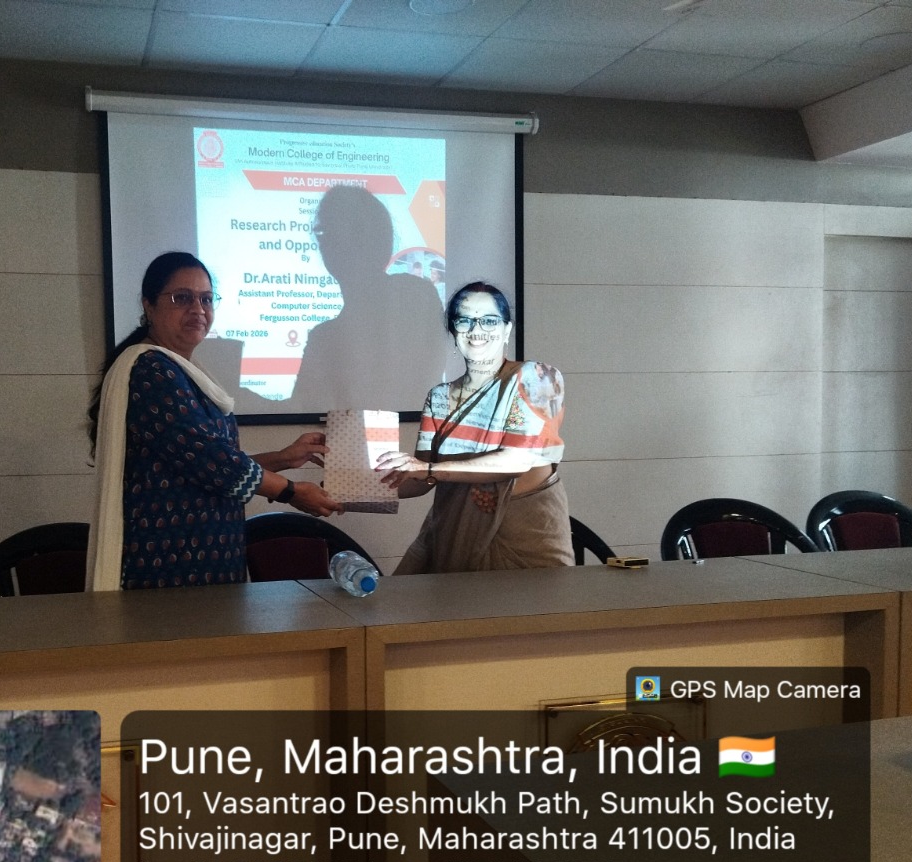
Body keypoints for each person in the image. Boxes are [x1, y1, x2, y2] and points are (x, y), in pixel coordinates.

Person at [87, 252, 343, 590]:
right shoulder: (152, 370)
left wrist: (283, 458)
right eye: (182, 298)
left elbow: (202, 469)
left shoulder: (182, 370)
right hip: (170, 566)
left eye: (206, 299)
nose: (198, 309)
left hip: (204, 558)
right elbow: (213, 462)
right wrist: (291, 492)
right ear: (149, 305)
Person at [375, 281, 574, 572]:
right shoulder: (439, 397)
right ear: (453, 331)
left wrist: (428, 469)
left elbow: (517, 460)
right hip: (451, 537)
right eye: (465, 320)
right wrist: (348, 492)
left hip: (522, 548)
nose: (476, 330)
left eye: (489, 321)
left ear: (507, 329)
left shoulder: (536, 377)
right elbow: (420, 480)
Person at [286, 185, 450, 414]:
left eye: (329, 231)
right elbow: (303, 408)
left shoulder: (414, 297)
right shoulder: (324, 337)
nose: (325, 241)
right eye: (322, 232)